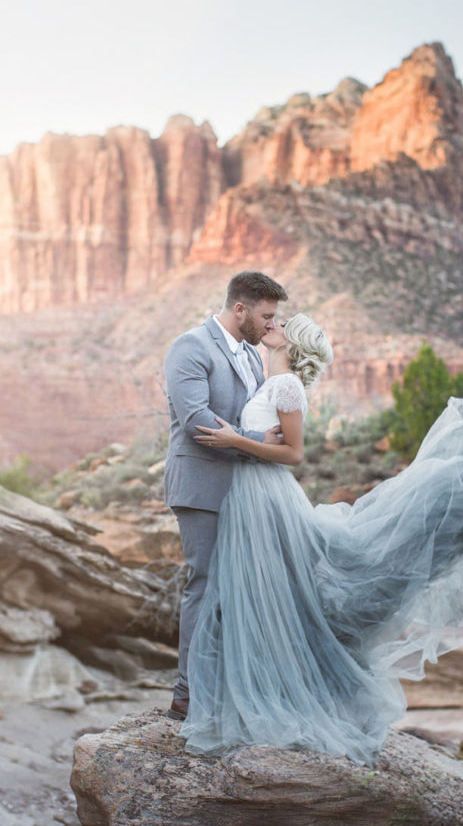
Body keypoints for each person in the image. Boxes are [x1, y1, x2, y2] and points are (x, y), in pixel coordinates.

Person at [178, 313, 463, 765]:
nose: (273, 323)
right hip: (253, 494)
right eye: (273, 318)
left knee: (278, 592)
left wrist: (239, 439)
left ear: (293, 345)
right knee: (263, 593)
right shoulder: (266, 375)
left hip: (265, 492)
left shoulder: (287, 385)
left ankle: (259, 694)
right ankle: (233, 689)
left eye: (283, 322)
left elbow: (292, 452)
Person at [163, 270, 289, 721]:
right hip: (202, 486)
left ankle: (230, 687)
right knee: (206, 585)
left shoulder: (254, 357)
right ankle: (187, 694)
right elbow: (197, 418)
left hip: (243, 488)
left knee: (239, 588)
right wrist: (261, 438)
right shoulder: (190, 347)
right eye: (267, 316)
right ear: (241, 309)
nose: (272, 325)